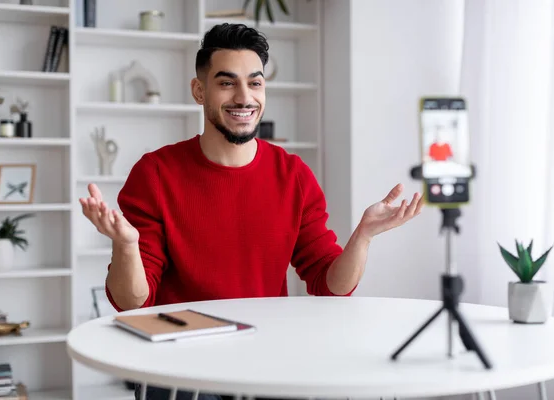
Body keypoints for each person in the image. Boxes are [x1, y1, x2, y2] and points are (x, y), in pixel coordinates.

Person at [78, 23, 423, 400]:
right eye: (226, 83)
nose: (244, 97)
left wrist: (363, 237)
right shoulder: (155, 174)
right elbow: (132, 302)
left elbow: (329, 285)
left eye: (255, 83)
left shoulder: (293, 175)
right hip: (178, 367)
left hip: (267, 360)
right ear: (199, 91)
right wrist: (126, 246)